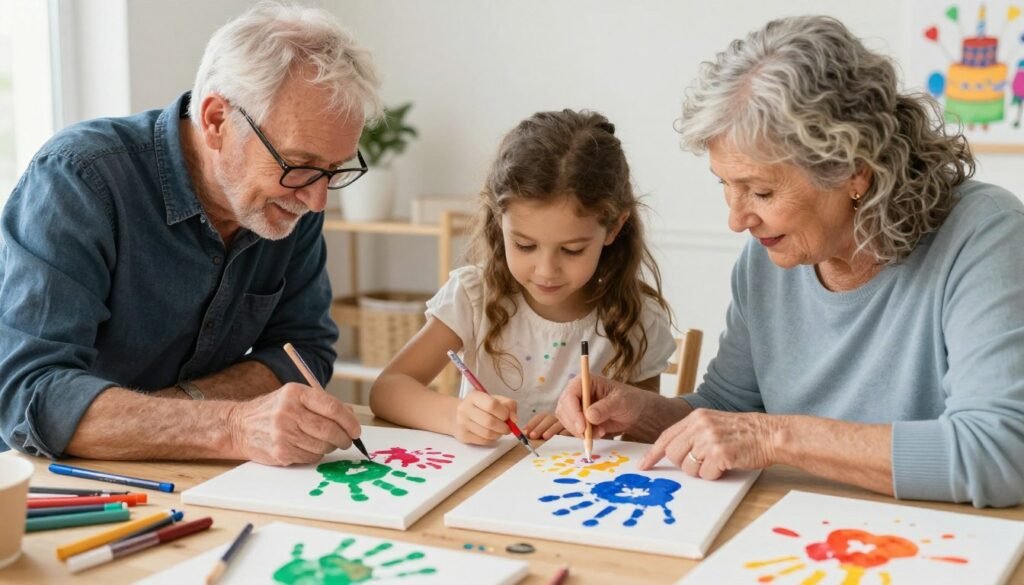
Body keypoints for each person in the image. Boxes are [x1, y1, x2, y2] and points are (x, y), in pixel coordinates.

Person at [556, 15, 1024, 508]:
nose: (737, 220)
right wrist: (640, 413)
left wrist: (775, 437)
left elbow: (1001, 452)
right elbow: (731, 413)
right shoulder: (767, 261)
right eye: (725, 185)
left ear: (852, 169)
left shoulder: (985, 236)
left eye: (760, 190)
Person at [0, 2, 382, 466]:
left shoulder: (294, 196)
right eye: (299, 164)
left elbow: (305, 351)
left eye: (334, 169)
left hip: (190, 474)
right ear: (217, 120)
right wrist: (230, 425)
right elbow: (31, 394)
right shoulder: (80, 179)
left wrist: (181, 412)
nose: (318, 200)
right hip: (51, 482)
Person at [370, 109, 676, 445]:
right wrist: (457, 416)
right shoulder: (474, 297)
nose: (546, 270)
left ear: (614, 227)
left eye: (572, 250)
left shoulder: (638, 319)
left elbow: (647, 430)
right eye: (525, 245)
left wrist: (598, 425)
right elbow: (388, 390)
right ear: (499, 220)